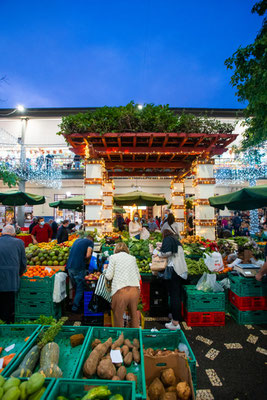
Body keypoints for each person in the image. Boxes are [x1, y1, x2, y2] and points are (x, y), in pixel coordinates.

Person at [157, 228, 188, 330]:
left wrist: (159, 253)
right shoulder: (175, 240)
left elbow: (167, 252)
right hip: (181, 270)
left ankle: (175, 323)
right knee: (176, 295)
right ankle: (175, 317)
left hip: (175, 270)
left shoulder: (167, 239)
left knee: (174, 296)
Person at [105, 242, 140, 328]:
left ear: (116, 249)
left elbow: (109, 276)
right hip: (134, 290)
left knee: (118, 317)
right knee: (134, 316)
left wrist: (105, 269)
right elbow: (138, 277)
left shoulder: (113, 257)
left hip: (120, 290)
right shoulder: (132, 258)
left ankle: (120, 338)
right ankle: (135, 338)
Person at [0, 225, 27, 323]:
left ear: (2, 232)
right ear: (14, 233)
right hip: (11, 276)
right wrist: (20, 273)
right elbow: (23, 261)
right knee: (9, 302)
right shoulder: (19, 242)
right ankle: (8, 323)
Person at [66, 233, 94, 312]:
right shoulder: (90, 243)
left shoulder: (76, 240)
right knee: (80, 288)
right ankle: (75, 308)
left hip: (69, 267)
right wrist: (85, 258)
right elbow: (88, 255)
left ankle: (74, 303)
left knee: (75, 287)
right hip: (78, 267)